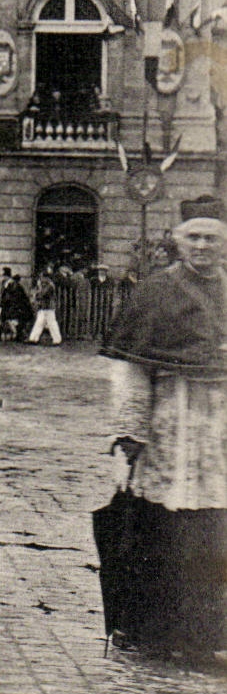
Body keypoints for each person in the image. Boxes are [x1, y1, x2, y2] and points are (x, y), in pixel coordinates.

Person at [99, 195, 227, 661]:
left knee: (214, 534)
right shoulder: (155, 292)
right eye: (193, 236)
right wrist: (130, 435)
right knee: (162, 531)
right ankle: (152, 631)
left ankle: (206, 636)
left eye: (212, 238)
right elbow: (132, 373)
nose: (202, 246)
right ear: (178, 240)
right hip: (169, 425)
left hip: (220, 432)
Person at [27, 270, 62, 345]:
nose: (41, 279)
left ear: (46, 278)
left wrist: (37, 293)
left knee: (51, 323)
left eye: (42, 277)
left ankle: (57, 339)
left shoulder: (49, 285)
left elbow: (43, 294)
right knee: (39, 323)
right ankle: (33, 338)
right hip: (44, 307)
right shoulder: (45, 285)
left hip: (48, 307)